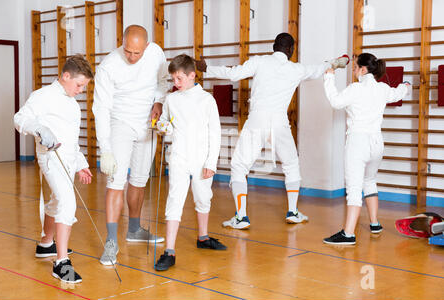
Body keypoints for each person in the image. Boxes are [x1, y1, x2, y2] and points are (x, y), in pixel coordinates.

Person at [195, 32, 348, 229]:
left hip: (257, 120)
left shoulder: (259, 61)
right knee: (291, 164)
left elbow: (233, 74)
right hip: (279, 122)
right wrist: (338, 61)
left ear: (273, 47)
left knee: (240, 166)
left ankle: (241, 217)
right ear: (291, 50)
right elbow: (320, 68)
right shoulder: (297, 69)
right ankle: (292, 212)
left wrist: (206, 68)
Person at [93, 25, 169, 265]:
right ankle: (111, 240)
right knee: (116, 181)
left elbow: (163, 80)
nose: (132, 57)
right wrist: (105, 148)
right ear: (122, 43)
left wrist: (159, 101)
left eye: (137, 53)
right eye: (128, 51)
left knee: (139, 179)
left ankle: (134, 229)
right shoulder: (108, 66)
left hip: (147, 123)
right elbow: (101, 109)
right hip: (120, 123)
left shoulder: (156, 53)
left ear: (146, 46)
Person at [14, 54, 94, 283]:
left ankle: (46, 244)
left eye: (84, 86)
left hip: (68, 160)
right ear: (66, 76)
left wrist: (81, 165)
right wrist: (38, 128)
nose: (81, 90)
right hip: (50, 159)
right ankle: (61, 264)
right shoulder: (42, 96)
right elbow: (19, 118)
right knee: (68, 202)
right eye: (79, 85)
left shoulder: (72, 103)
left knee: (57, 201)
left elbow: (72, 140)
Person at [322, 52, 410, 245]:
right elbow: (400, 92)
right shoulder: (383, 88)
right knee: (369, 180)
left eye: (354, 67)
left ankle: (348, 234)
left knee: (354, 188)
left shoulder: (355, 89)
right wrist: (406, 86)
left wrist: (329, 76)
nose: (353, 70)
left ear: (362, 69)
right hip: (377, 143)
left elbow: (335, 102)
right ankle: (375, 223)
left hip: (358, 142)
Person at [154, 54, 226, 271]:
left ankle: (203, 238)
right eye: (173, 79)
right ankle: (169, 251)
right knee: (174, 200)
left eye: (179, 79)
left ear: (192, 75)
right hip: (178, 157)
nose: (176, 83)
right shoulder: (171, 99)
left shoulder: (206, 100)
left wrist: (211, 162)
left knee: (203, 198)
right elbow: (164, 121)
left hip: (202, 159)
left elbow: (216, 133)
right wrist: (162, 126)